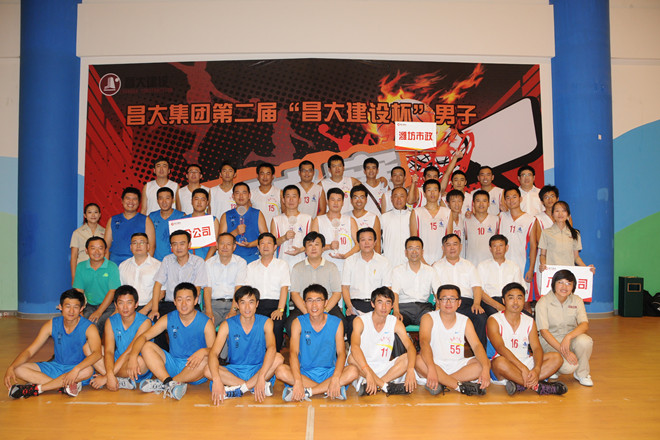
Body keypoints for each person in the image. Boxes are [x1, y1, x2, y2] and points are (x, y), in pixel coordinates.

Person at [5, 289, 101, 399]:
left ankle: (38, 389)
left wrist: (76, 369)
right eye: (67, 306)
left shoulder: (89, 327)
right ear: (60, 307)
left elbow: (97, 354)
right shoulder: (52, 324)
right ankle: (63, 387)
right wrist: (11, 367)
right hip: (56, 367)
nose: (71, 311)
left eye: (75, 307)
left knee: (88, 370)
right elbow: (30, 351)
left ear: (81, 308)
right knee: (18, 369)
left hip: (78, 370)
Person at [128, 282, 215, 400]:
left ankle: (166, 383)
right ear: (174, 302)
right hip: (173, 365)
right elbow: (143, 337)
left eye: (188, 299)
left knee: (207, 359)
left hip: (195, 368)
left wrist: (203, 351)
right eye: (179, 300)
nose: (183, 304)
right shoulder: (168, 318)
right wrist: (133, 356)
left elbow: (214, 351)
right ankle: (169, 382)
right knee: (146, 346)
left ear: (195, 301)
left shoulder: (206, 322)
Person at [276, 284, 358, 401]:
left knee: (353, 371)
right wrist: (298, 380)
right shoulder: (297, 323)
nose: (314, 305)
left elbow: (341, 353)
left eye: (318, 300)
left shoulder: (336, 322)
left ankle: (308, 391)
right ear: (304, 303)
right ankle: (329, 390)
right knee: (280, 371)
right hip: (304, 374)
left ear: (326, 303)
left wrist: (335, 378)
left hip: (329, 373)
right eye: (310, 301)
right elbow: (293, 353)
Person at [206, 286, 284, 403]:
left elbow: (272, 348)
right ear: (237, 305)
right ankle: (251, 387)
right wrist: (217, 380)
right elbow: (213, 353)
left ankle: (240, 389)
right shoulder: (227, 324)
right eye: (242, 302)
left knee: (278, 358)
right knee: (207, 369)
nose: (247, 307)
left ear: (257, 304)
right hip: (235, 371)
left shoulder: (266, 322)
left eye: (251, 302)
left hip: (259, 369)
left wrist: (261, 376)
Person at [487, 282, 567, 396]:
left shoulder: (529, 321)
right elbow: (500, 348)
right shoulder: (494, 320)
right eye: (511, 298)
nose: (515, 302)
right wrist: (522, 368)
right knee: (499, 362)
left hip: (525, 362)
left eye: (519, 298)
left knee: (556, 358)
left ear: (524, 301)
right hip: (504, 364)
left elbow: (536, 348)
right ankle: (537, 386)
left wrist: (537, 369)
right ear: (504, 301)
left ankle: (520, 384)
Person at [415, 284, 490, 396]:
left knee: (484, 363)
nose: (448, 303)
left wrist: (485, 368)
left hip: (457, 366)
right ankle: (459, 386)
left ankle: (442, 383)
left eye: (453, 299)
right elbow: (424, 343)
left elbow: (476, 346)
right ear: (438, 302)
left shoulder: (465, 320)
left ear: (459, 302)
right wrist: (431, 368)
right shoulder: (428, 318)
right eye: (444, 299)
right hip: (434, 364)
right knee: (418, 361)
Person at [347, 287, 417, 396]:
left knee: (408, 358)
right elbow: (355, 347)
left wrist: (411, 369)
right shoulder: (360, 320)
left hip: (384, 368)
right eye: (380, 302)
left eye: (388, 303)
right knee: (351, 358)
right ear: (372, 304)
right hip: (363, 368)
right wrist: (367, 372)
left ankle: (376, 384)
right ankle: (385, 386)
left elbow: (410, 347)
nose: (384, 307)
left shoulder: (395, 323)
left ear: (392, 305)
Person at [535, 270, 594, 386]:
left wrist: (568, 337)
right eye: (560, 282)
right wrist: (565, 352)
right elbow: (544, 332)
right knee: (569, 367)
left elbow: (584, 324)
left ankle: (582, 374)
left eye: (568, 283)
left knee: (585, 341)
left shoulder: (577, 300)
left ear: (573, 286)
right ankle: (554, 368)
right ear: (553, 284)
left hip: (570, 338)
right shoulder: (543, 302)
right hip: (550, 341)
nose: (564, 287)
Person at [89, 285, 152, 390]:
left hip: (134, 362)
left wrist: (105, 377)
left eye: (129, 303)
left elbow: (129, 351)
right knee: (88, 347)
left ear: (136, 304)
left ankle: (111, 378)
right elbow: (109, 351)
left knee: (140, 361)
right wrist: (109, 374)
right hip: (118, 361)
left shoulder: (145, 322)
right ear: (116, 305)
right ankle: (116, 378)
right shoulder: (110, 321)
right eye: (121, 303)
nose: (125, 307)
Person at [235, 232, 290, 351]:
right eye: (262, 243)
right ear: (258, 247)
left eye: (269, 243)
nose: (265, 246)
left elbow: (284, 288)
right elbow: (248, 291)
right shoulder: (251, 266)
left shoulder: (282, 265)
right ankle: (255, 355)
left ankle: (274, 354)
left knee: (276, 325)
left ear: (275, 247)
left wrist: (280, 310)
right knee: (252, 324)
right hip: (256, 305)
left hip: (276, 305)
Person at [431, 234, 488, 347]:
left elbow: (476, 287)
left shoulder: (469, 265)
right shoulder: (436, 266)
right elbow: (436, 289)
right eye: (448, 245)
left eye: (455, 244)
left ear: (460, 247)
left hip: (466, 303)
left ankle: (480, 353)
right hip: (445, 302)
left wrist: (476, 303)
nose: (452, 248)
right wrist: (440, 303)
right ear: (443, 248)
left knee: (481, 317)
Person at [286, 231, 345, 336]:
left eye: (317, 244)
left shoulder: (331, 267)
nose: (313, 248)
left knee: (342, 324)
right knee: (290, 324)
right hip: (303, 308)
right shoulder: (297, 268)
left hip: (328, 307)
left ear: (323, 249)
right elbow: (294, 294)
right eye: (310, 245)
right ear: (305, 249)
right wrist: (307, 312)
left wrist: (324, 311)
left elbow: (337, 293)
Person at [148, 230, 207, 321]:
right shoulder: (167, 260)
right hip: (170, 304)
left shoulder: (198, 262)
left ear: (189, 244)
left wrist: (186, 304)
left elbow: (197, 289)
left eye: (182, 244)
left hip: (190, 305)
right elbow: (157, 284)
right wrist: (154, 309)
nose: (178, 247)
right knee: (154, 320)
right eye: (174, 244)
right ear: (171, 246)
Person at [342, 227, 392, 335]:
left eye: (370, 239)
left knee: (379, 329)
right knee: (353, 327)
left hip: (377, 304)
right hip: (355, 304)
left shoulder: (384, 262)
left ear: (375, 242)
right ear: (358, 242)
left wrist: (380, 306)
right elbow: (345, 287)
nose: (366, 243)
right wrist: (349, 306)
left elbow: (387, 289)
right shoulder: (350, 261)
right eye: (363, 240)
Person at [73, 237, 121, 334]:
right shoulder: (81, 267)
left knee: (97, 323)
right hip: (90, 305)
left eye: (100, 248)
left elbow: (112, 291)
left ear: (105, 250)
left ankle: (97, 343)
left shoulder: (112, 266)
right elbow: (79, 292)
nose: (97, 252)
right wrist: (80, 311)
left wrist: (99, 311)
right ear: (86, 250)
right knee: (83, 323)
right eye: (93, 248)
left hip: (109, 306)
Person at [391, 236, 440, 326]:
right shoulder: (397, 270)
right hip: (404, 308)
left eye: (417, 248)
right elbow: (395, 293)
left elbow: (438, 292)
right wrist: (396, 311)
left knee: (432, 324)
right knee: (395, 324)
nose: (414, 252)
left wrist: (437, 309)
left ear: (422, 252)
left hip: (424, 309)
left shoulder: (431, 271)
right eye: (410, 249)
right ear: (406, 252)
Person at [539, 201, 595, 274]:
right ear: (552, 214)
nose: (560, 214)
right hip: (552, 273)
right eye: (557, 211)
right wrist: (543, 265)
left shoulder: (575, 233)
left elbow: (576, 257)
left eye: (563, 211)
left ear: (568, 214)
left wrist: (587, 269)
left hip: (569, 274)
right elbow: (543, 255)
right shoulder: (546, 233)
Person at [311, 187, 358, 273]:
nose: (336, 203)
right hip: (324, 268)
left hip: (346, 267)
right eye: (333, 200)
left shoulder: (350, 220)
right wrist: (329, 246)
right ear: (327, 201)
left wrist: (345, 256)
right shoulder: (318, 220)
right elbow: (312, 245)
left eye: (339, 200)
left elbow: (358, 244)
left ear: (343, 203)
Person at [203, 232, 247, 325]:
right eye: (222, 243)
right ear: (217, 245)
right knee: (205, 325)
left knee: (234, 327)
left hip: (234, 305)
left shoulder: (241, 262)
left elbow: (238, 288)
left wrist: (233, 310)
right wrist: (209, 311)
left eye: (228, 244)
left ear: (234, 247)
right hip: (214, 305)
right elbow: (207, 288)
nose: (225, 247)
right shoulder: (209, 263)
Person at [219, 182, 268, 264]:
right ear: (233, 196)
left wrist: (250, 244)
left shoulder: (257, 214)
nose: (241, 196)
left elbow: (265, 238)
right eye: (237, 193)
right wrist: (235, 232)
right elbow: (220, 241)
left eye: (244, 193)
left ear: (249, 195)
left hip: (253, 258)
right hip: (232, 259)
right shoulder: (226, 215)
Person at [105, 187, 156, 266]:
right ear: (122, 201)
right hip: (115, 264)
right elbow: (106, 247)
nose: (131, 202)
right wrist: (106, 266)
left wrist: (145, 266)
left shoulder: (146, 220)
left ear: (139, 202)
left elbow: (151, 247)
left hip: (137, 264)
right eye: (128, 198)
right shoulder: (113, 220)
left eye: (134, 199)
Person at [526, 185, 559, 298]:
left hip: (562, 258)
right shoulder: (538, 218)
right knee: (544, 292)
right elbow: (540, 241)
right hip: (544, 258)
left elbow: (569, 238)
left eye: (552, 196)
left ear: (557, 198)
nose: (550, 199)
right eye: (546, 197)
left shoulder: (565, 216)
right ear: (542, 201)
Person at [498, 188, 535, 288]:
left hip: (521, 264)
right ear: (505, 201)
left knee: (521, 294)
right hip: (503, 264)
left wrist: (531, 268)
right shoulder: (501, 217)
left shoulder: (530, 219)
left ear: (520, 199)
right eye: (508, 198)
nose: (511, 200)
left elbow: (533, 246)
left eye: (514, 197)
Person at [410, 179, 451, 265]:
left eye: (435, 190)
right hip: (422, 261)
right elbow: (413, 240)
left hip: (442, 261)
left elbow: (449, 240)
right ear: (424, 194)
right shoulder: (416, 212)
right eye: (429, 190)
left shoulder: (447, 212)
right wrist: (423, 261)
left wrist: (442, 260)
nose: (432, 193)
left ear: (439, 193)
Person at [270, 184, 312, 269]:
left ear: (299, 200)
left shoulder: (308, 219)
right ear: (283, 200)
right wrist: (284, 238)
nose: (291, 200)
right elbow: (272, 243)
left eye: (294, 196)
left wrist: (300, 250)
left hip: (303, 263)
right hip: (282, 264)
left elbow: (312, 243)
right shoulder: (276, 220)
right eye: (288, 196)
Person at [118, 232, 161, 314]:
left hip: (150, 307)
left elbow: (161, 293)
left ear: (148, 246)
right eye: (134, 243)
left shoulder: (158, 266)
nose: (138, 246)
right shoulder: (123, 265)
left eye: (141, 243)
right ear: (131, 247)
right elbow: (120, 291)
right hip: (127, 308)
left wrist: (145, 310)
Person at [70, 202, 105, 283]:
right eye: (89, 212)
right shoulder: (77, 233)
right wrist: (74, 277)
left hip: (99, 270)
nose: (93, 215)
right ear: (85, 215)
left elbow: (107, 253)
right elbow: (74, 257)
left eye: (95, 212)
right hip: (82, 270)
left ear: (99, 215)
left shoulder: (105, 232)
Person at [464, 190, 500, 267]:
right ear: (473, 203)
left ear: (488, 203)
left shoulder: (496, 220)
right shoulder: (466, 220)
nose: (481, 204)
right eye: (478, 201)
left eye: (484, 201)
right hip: (471, 264)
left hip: (490, 264)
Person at [148, 187, 185, 261]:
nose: (164, 202)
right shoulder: (151, 217)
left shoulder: (181, 216)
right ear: (157, 200)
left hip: (176, 261)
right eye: (161, 198)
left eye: (167, 198)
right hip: (156, 261)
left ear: (173, 200)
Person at [185, 188, 220, 260]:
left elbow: (214, 245)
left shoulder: (213, 220)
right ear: (191, 201)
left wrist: (205, 262)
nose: (199, 202)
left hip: (207, 261)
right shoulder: (184, 220)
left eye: (202, 200)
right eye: (196, 199)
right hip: (188, 262)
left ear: (207, 203)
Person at [380, 187, 410, 268]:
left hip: (408, 264)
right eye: (396, 196)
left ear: (407, 198)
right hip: (389, 264)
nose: (399, 199)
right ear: (391, 199)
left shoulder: (412, 217)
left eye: (402, 196)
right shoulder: (383, 218)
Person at [350, 185, 382, 253]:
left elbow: (377, 244)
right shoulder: (344, 217)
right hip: (349, 257)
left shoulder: (373, 218)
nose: (359, 200)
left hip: (367, 257)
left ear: (366, 200)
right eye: (356, 197)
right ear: (351, 200)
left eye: (362, 197)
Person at [439, 149, 472, 214]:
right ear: (451, 182)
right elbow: (447, 174)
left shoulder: (471, 198)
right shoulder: (445, 198)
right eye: (456, 180)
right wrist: (455, 157)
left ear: (465, 182)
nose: (459, 183)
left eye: (462, 180)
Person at [251, 162, 282, 227]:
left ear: (272, 176)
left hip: (275, 230)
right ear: (257, 176)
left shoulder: (280, 193)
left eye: (268, 174)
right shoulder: (251, 194)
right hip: (257, 231)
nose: (265, 177)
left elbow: (285, 214)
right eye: (262, 173)